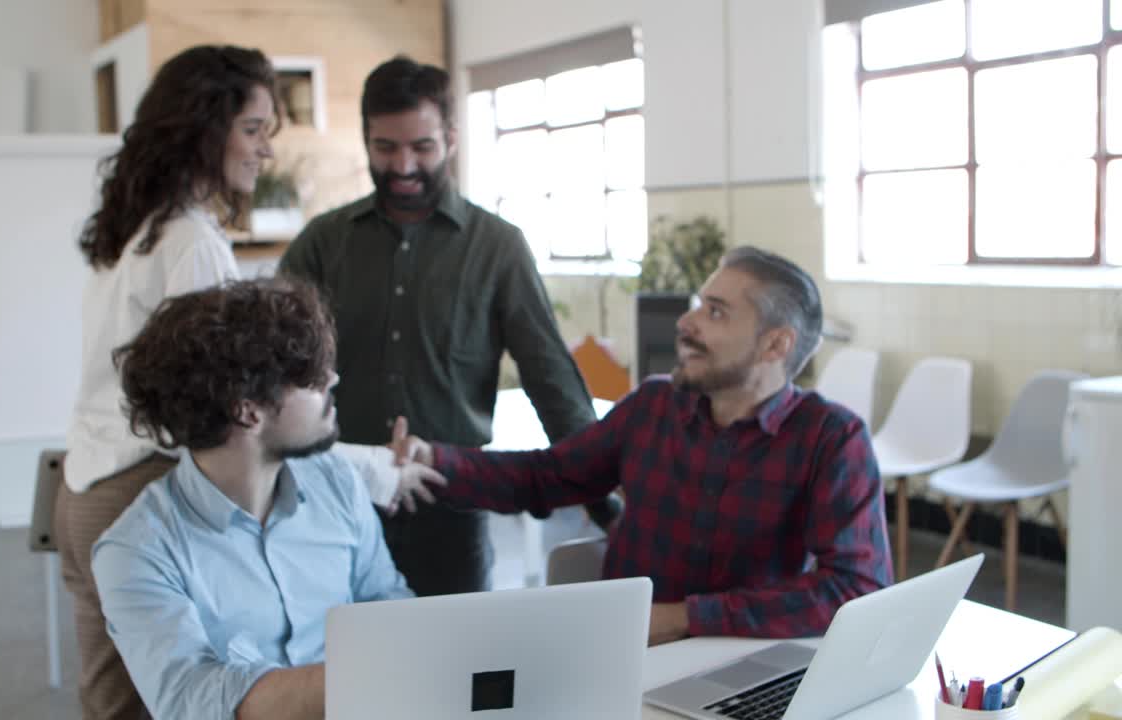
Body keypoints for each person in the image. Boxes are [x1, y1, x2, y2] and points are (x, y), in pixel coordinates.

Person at [55, 45, 425, 719]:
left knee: (114, 704)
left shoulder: (135, 227)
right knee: (177, 699)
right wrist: (378, 470)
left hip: (81, 485)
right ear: (203, 128)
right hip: (135, 485)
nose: (265, 152)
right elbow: (242, 399)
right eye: (253, 130)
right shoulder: (191, 241)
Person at [396, 246, 894, 644]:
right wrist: (437, 460)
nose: (686, 323)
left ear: (775, 345)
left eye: (716, 313)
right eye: (699, 305)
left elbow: (857, 587)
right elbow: (545, 476)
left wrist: (684, 617)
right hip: (629, 656)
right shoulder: (656, 405)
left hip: (744, 659)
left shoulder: (830, 440)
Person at [278, 55, 618, 597]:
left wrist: (607, 502)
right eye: (385, 148)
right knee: (337, 668)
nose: (404, 166)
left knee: (457, 672)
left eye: (422, 147)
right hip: (334, 501)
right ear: (365, 139)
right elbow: (272, 365)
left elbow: (549, 377)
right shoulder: (324, 243)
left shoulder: (497, 247)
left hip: (451, 508)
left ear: (452, 138)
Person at [92, 277, 420, 720]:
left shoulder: (336, 482)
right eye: (308, 379)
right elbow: (192, 698)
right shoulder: (136, 550)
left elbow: (385, 598)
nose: (332, 381)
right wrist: (369, 678)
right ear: (247, 412)